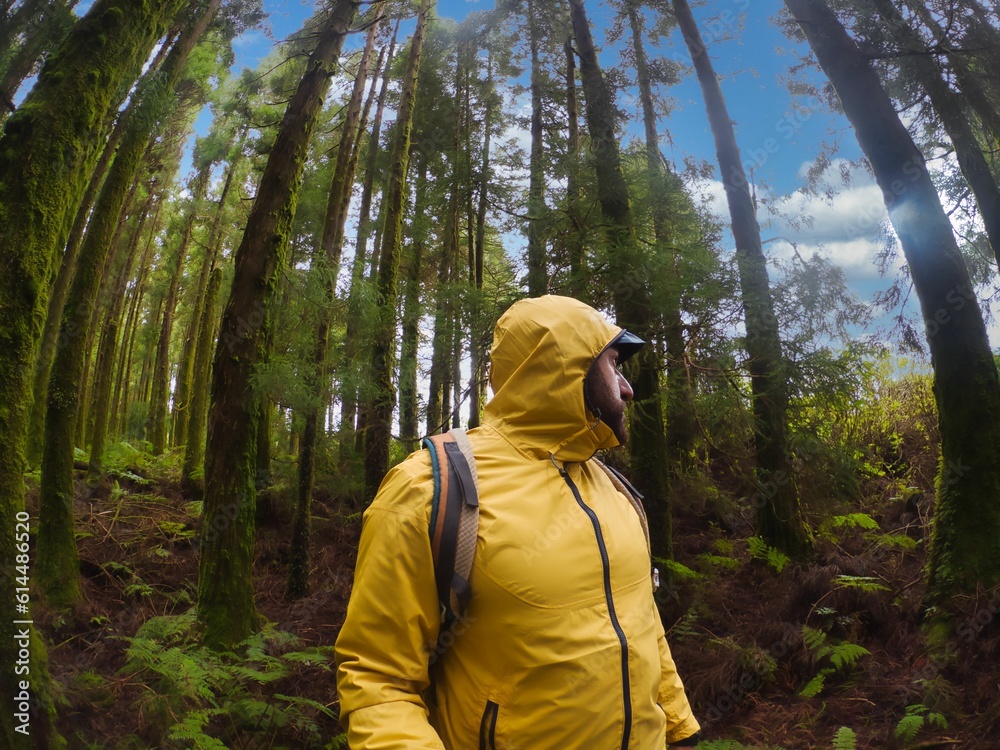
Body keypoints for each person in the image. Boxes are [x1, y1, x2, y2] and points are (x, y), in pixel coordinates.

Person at [335, 295, 701, 749]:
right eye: (612, 366)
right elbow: (378, 680)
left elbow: (643, 628)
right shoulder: (428, 489)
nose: (627, 388)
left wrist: (679, 729)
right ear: (570, 369)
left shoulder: (611, 487)